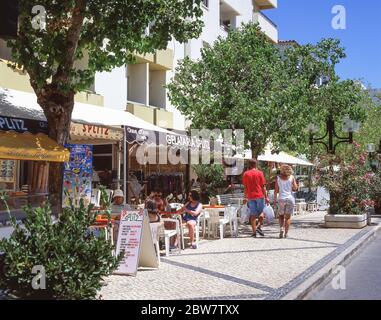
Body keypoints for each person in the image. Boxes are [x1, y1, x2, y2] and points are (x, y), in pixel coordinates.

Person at [242, 159, 269, 238]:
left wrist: (245, 197)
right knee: (262, 212)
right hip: (260, 195)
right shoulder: (260, 173)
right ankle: (258, 227)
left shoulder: (246, 174)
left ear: (249, 165)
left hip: (251, 196)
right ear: (256, 165)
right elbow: (263, 186)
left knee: (253, 215)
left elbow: (245, 187)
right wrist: (266, 197)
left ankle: (254, 232)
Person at [274, 164, 298, 239]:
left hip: (281, 198)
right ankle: (286, 234)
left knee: (281, 215)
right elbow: (295, 188)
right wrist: (291, 186)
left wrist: (274, 200)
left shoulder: (278, 178)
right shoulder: (292, 177)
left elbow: (276, 190)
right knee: (288, 217)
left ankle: (281, 228)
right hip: (290, 198)